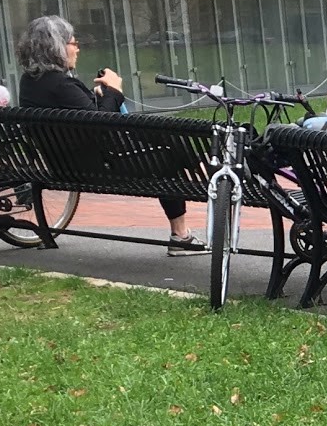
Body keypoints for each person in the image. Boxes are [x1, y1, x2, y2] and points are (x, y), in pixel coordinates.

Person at [14, 14, 202, 256]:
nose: (77, 49)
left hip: (64, 166)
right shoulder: (62, 85)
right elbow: (103, 125)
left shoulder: (29, 83)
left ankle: (197, 170)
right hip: (100, 168)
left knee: (162, 137)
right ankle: (182, 235)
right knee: (167, 153)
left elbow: (86, 115)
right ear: (56, 47)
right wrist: (113, 90)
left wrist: (99, 98)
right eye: (73, 43)